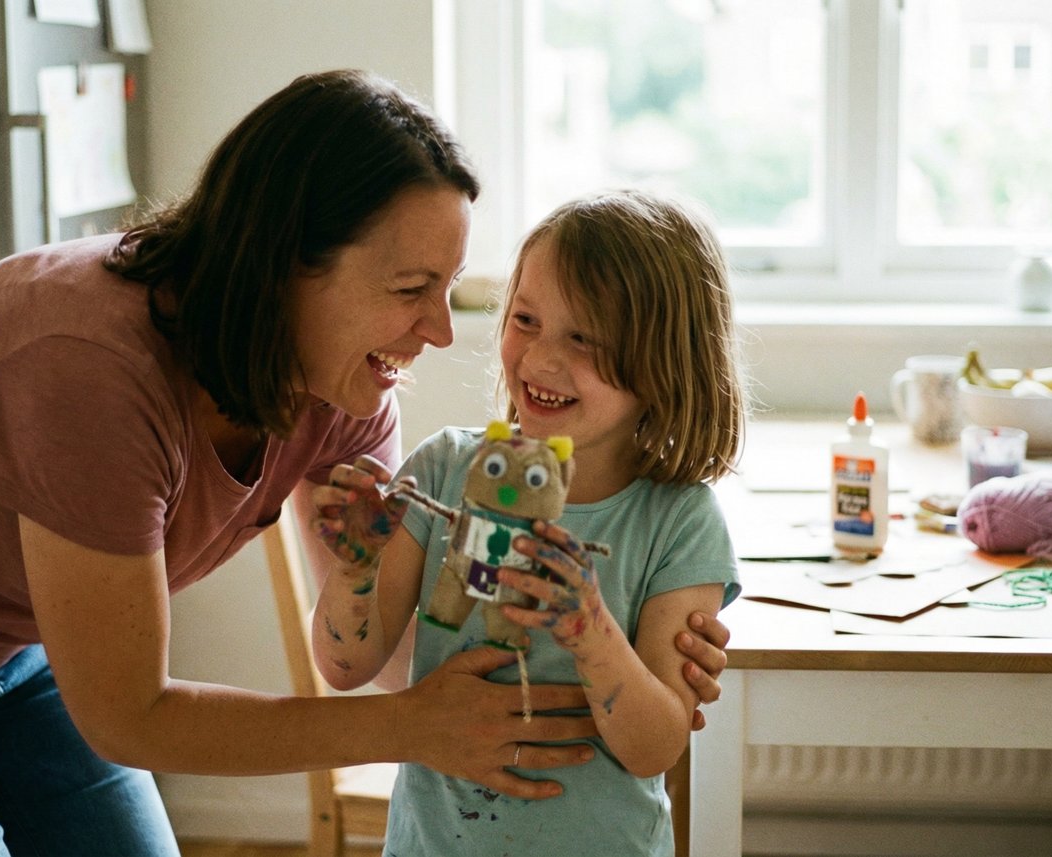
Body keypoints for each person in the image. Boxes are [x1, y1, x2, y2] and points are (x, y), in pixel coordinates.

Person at [0, 70, 732, 856]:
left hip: (15, 635)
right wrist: (414, 725)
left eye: (454, 287)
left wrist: (611, 651)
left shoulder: (349, 390)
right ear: (287, 262)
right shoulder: (84, 366)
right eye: (412, 286)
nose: (438, 331)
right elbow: (127, 711)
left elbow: (360, 648)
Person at [311, 189, 746, 855]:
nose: (541, 359)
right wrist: (355, 567)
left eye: (583, 338)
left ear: (662, 362)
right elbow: (347, 663)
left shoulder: (679, 521)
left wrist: (592, 632)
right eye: (526, 319)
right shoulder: (443, 471)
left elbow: (655, 747)